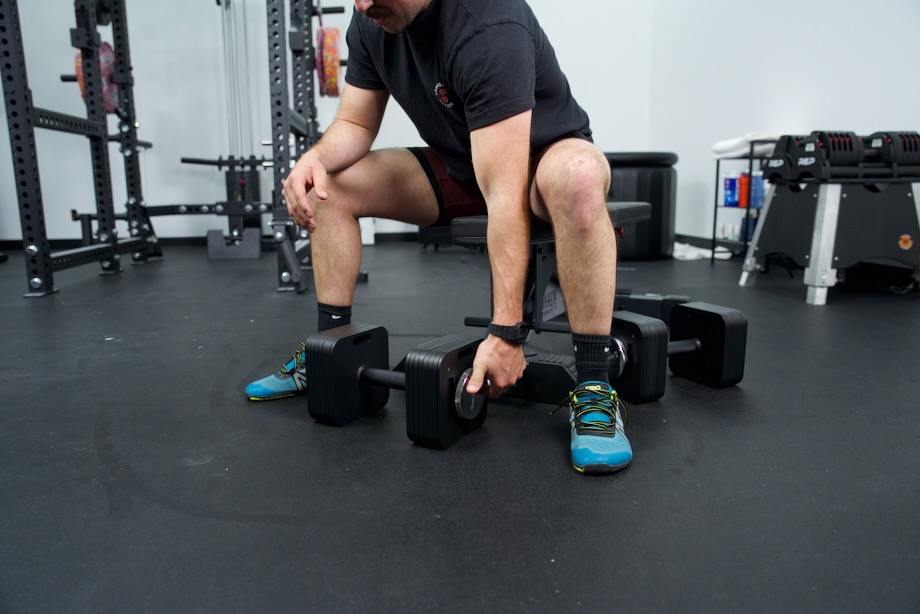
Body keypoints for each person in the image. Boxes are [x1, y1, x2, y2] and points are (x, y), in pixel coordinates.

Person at [245, 0, 632, 474]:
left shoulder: (487, 25)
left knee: (577, 175)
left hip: (542, 164)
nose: (363, 4)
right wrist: (315, 159)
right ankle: (328, 353)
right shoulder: (372, 18)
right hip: (465, 162)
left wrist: (506, 334)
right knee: (330, 187)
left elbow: (504, 195)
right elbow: (356, 123)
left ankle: (594, 386)